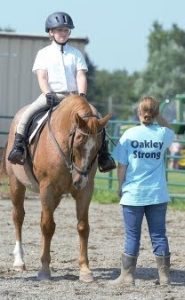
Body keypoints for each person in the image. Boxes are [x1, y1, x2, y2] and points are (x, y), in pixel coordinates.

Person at [8, 11, 116, 172]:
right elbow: (42, 76)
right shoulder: (43, 53)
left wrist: (82, 95)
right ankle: (18, 147)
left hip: (72, 97)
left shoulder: (76, 53)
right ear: (51, 32)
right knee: (26, 115)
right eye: (59, 30)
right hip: (51, 95)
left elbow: (80, 75)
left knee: (97, 117)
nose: (63, 33)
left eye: (66, 30)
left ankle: (104, 155)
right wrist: (47, 93)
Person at [112, 96, 175, 286]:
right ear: (155, 114)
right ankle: (164, 276)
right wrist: (158, 116)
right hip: (157, 193)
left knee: (132, 235)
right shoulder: (163, 133)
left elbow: (121, 166)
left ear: (139, 113)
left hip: (133, 194)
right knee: (159, 234)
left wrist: (119, 186)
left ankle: (127, 276)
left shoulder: (129, 134)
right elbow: (171, 129)